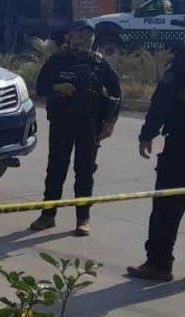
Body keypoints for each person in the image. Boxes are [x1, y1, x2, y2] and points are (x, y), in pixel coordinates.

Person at [127, 10, 185, 283]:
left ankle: (159, 264)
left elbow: (163, 99)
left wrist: (147, 133)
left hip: (182, 145)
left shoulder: (184, 60)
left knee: (167, 206)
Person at [29, 20, 121, 236]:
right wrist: (56, 87)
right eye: (79, 34)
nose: (83, 39)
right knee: (56, 169)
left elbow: (116, 93)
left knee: (85, 171)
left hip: (89, 124)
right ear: (69, 36)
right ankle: (48, 215)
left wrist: (110, 122)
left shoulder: (99, 63)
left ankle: (83, 218)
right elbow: (41, 87)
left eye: (88, 35)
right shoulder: (57, 61)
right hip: (62, 122)